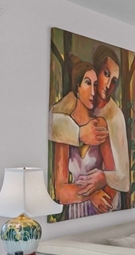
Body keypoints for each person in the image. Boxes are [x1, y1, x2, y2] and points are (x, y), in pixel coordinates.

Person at [50, 45, 130, 210]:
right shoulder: (67, 114)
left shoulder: (112, 118)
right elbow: (61, 191)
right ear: (77, 89)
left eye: (114, 81)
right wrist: (79, 133)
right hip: (75, 210)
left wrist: (104, 179)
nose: (107, 84)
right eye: (106, 74)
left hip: (104, 207)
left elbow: (123, 178)